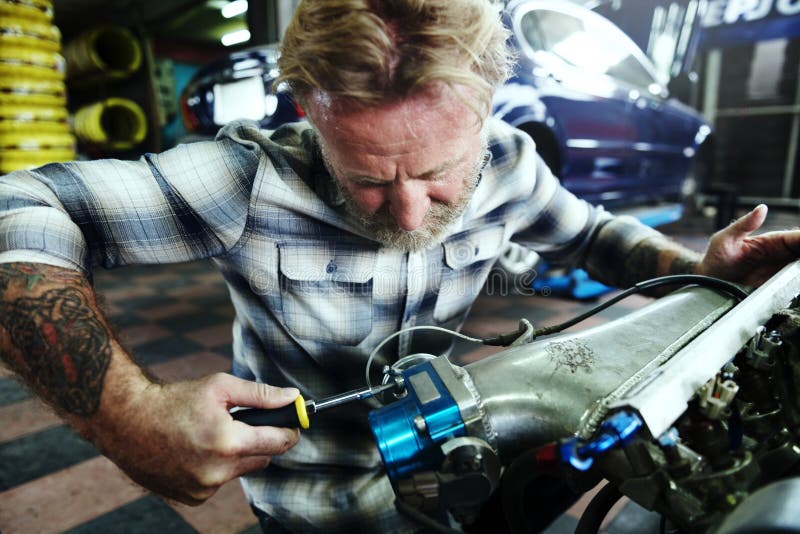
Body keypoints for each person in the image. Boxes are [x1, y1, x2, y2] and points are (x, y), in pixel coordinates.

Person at [0, 0, 798, 531]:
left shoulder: (510, 162)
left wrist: (695, 265)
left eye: (441, 174)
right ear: (310, 112)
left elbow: (593, 237)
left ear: (489, 103)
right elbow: (15, 206)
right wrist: (128, 413)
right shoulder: (250, 182)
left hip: (458, 471)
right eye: (369, 180)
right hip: (314, 507)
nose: (410, 214)